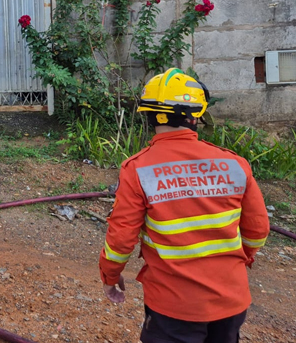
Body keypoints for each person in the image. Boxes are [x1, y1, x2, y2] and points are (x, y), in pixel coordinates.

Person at [100, 68, 270, 343]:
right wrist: (237, 262)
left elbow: (121, 239)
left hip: (173, 306)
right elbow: (258, 231)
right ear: (196, 115)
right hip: (231, 299)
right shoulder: (234, 164)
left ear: (149, 114)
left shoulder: (138, 169)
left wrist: (110, 276)